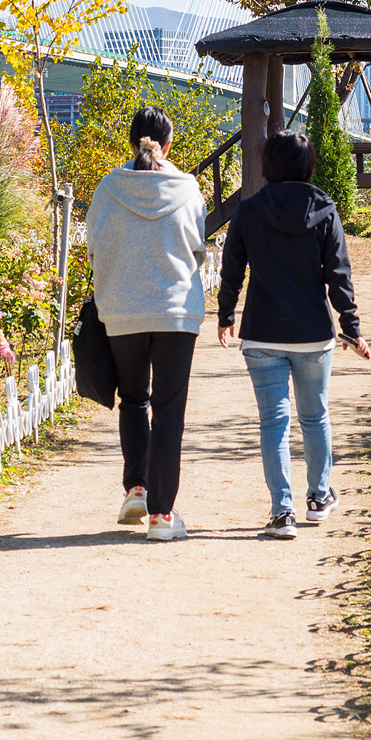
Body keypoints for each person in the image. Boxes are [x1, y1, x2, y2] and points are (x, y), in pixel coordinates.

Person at [216, 128, 371, 538]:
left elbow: (231, 270)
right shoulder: (324, 209)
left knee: (273, 422)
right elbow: (338, 275)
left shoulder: (248, 211)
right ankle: (318, 497)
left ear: (267, 164)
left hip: (262, 333)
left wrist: (226, 315)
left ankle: (282, 512)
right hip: (313, 334)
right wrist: (351, 328)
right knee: (314, 416)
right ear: (308, 166)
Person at [85, 104, 207, 541]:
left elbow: (93, 248)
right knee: (169, 411)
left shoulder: (108, 188)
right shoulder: (188, 189)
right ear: (168, 144)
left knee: (134, 398)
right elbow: (198, 248)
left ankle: (136, 488)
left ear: (131, 141)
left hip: (121, 310)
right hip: (176, 311)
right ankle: (162, 516)